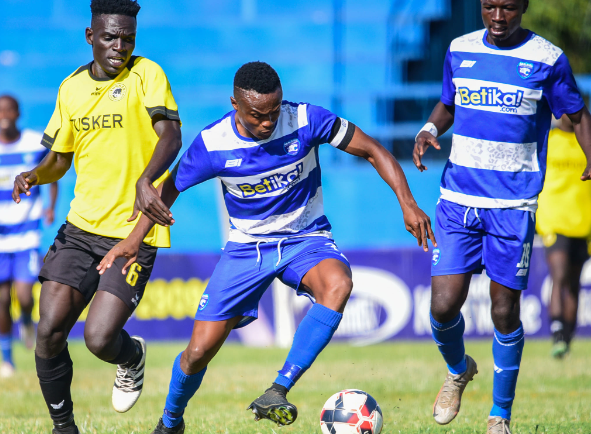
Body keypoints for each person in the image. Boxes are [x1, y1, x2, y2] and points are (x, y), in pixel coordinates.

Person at [98, 61, 436, 434]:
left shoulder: (306, 119)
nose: (268, 121)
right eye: (258, 115)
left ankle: (278, 389)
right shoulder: (213, 144)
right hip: (246, 248)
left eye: (274, 111)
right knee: (197, 353)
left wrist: (407, 202)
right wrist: (133, 239)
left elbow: (372, 149)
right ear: (234, 104)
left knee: (338, 284)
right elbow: (169, 188)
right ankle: (170, 422)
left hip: (305, 238)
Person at [412, 0, 591, 434]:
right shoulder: (460, 49)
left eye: (508, 7)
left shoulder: (547, 58)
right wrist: (431, 128)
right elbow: (449, 103)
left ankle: (500, 417)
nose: (498, 15)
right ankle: (457, 372)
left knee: (503, 310)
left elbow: (577, 112)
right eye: (490, 6)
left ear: (523, 7)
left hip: (513, 204)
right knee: (443, 305)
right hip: (457, 197)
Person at [12, 0, 182, 434]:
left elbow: (170, 138)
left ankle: (132, 356)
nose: (119, 48)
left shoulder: (147, 75)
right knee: (48, 330)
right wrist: (34, 174)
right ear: (91, 36)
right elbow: (60, 159)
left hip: (132, 234)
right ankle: (63, 427)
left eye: (127, 39)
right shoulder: (71, 88)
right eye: (110, 38)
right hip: (79, 229)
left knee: (98, 338)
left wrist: (146, 181)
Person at [0, 94, 58, 378]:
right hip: (1, 238)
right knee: (0, 300)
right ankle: (6, 359)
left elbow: (53, 171)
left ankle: (25, 317)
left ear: (18, 113)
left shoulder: (33, 142)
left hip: (26, 235)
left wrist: (50, 206)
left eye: (9, 109)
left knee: (23, 295)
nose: (5, 115)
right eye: (1, 110)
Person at [536, 114, 591, 358]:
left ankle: (566, 339)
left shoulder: (587, 141)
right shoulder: (548, 139)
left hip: (583, 222)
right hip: (554, 220)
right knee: (559, 274)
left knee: (574, 283)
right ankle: (557, 330)